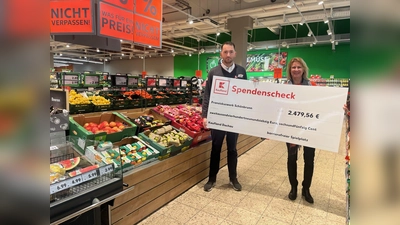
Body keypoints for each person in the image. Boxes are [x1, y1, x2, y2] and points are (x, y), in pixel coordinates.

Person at [201, 41, 248, 192]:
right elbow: (207, 96)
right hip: (218, 117)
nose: (228, 55)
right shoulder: (213, 72)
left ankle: (233, 178)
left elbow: (245, 94)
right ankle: (212, 178)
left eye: (231, 52)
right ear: (221, 53)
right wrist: (205, 116)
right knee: (216, 147)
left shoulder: (241, 71)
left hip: (233, 118)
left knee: (232, 149)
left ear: (235, 53)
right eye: (225, 52)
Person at [285, 57, 315, 203]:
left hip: (309, 129)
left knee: (309, 160)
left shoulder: (312, 87)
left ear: (303, 69)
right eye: (293, 67)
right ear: (289, 71)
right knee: (292, 158)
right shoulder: (284, 88)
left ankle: (306, 189)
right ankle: (294, 187)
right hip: (291, 128)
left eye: (298, 67)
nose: (296, 70)